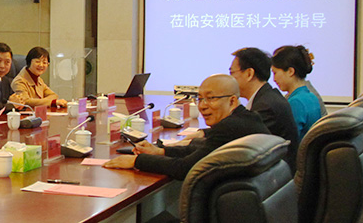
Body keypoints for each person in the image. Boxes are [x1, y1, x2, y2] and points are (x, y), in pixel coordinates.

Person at [104, 74, 270, 180]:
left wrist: (137, 161)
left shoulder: (229, 127)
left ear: (232, 101)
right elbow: (202, 151)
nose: (203, 106)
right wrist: (161, 151)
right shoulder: (247, 118)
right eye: (200, 99)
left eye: (211, 98)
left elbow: (185, 168)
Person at [229, 47, 299, 172]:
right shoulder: (266, 97)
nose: (230, 79)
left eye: (232, 73)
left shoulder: (266, 106)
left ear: (249, 74)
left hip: (275, 176)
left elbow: (238, 140)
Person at [271, 45, 323, 141]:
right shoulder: (311, 97)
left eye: (275, 73)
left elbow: (288, 140)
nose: (274, 79)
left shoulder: (296, 102)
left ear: (290, 71)